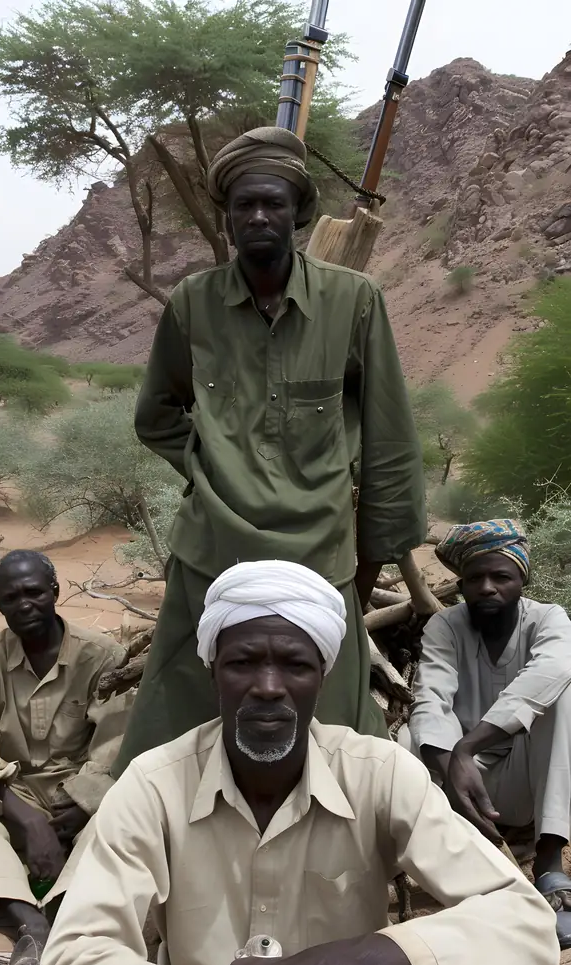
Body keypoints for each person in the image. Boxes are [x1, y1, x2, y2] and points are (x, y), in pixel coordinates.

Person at [16, 560, 570, 965]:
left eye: (296, 666)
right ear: (213, 671)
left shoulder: (379, 772)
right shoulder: (152, 783)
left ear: (323, 676)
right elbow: (73, 962)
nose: (268, 688)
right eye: (243, 662)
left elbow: (523, 920)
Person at [113, 125, 426, 777]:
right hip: (212, 551)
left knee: (335, 734)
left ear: (298, 213)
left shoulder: (354, 301)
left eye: (273, 203)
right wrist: (206, 464)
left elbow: (390, 437)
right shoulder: (193, 304)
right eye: (244, 205)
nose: (258, 215)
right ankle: (149, 847)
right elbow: (156, 415)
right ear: (227, 218)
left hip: (319, 555)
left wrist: (374, 552)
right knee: (173, 730)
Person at [407, 519, 571, 949]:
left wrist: (467, 746)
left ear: (522, 580)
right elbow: (431, 699)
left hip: (527, 778)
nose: (487, 587)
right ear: (460, 584)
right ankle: (455, 863)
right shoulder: (445, 627)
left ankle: (550, 863)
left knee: (562, 696)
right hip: (461, 790)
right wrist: (453, 762)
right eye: (475, 577)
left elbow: (552, 669)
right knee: (410, 738)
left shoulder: (548, 619)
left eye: (502, 576)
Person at [0, 549, 126, 965]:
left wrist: (82, 804)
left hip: (83, 791)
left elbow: (116, 744)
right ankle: (30, 924)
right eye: (11, 597)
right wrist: (25, 818)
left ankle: (61, 912)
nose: (24, 604)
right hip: (17, 791)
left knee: (125, 812)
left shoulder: (103, 656)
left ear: (55, 592)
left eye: (34, 592)